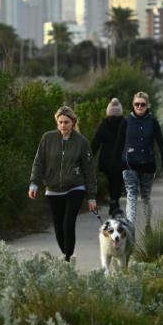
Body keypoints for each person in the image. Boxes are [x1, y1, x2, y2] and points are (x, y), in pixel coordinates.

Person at [28, 106, 98, 262]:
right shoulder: (48, 138)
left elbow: (89, 170)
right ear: (57, 123)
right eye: (60, 122)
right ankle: (66, 255)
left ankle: (68, 258)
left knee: (68, 223)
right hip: (52, 189)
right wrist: (34, 184)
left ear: (73, 122)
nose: (63, 126)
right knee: (58, 226)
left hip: (75, 187)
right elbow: (38, 163)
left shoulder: (82, 142)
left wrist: (92, 197)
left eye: (66, 122)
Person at [112, 92, 163, 231]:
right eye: (137, 104)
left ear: (147, 105)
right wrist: (114, 166)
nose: (139, 106)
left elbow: (161, 144)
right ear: (133, 105)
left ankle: (147, 224)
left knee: (146, 197)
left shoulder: (153, 121)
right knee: (131, 195)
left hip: (148, 164)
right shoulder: (126, 122)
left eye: (142, 104)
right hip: (129, 164)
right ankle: (130, 229)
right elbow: (118, 145)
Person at [90, 97, 126, 212]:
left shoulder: (104, 125)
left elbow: (96, 142)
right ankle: (115, 201)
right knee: (118, 181)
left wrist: (88, 157)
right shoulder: (125, 124)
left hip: (106, 159)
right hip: (120, 159)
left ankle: (113, 200)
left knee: (111, 181)